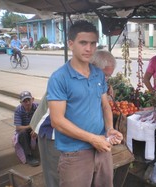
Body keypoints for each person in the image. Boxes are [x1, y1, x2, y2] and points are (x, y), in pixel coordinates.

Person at [47, 20, 123, 187]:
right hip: (75, 153)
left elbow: (105, 106)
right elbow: (57, 121)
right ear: (71, 44)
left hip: (103, 147)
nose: (89, 49)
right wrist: (92, 139)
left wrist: (109, 129)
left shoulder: (98, 74)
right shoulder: (59, 78)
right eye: (83, 43)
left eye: (93, 43)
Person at [29, 50, 117, 187]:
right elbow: (57, 121)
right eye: (105, 75)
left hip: (70, 134)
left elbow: (102, 103)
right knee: (56, 175)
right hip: (50, 130)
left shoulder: (94, 79)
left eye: (108, 77)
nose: (105, 79)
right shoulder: (66, 78)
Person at [13, 91, 39, 167]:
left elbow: (43, 120)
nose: (27, 103)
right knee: (23, 133)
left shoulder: (38, 107)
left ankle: (47, 153)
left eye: (29, 100)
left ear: (32, 99)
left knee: (44, 130)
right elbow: (18, 128)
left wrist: (36, 129)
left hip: (36, 128)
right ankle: (29, 156)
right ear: (21, 102)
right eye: (24, 101)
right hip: (26, 130)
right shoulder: (18, 110)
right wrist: (31, 126)